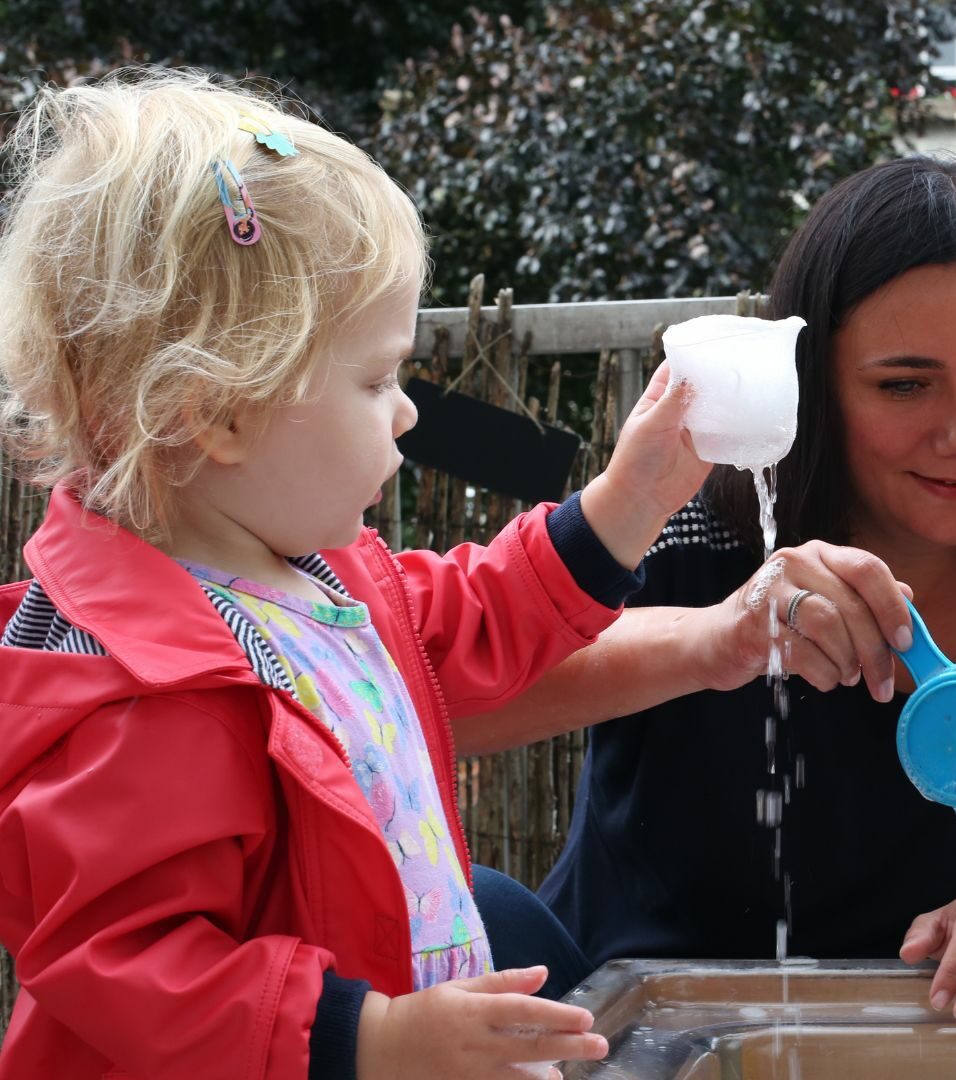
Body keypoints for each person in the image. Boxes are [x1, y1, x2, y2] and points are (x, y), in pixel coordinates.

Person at [0, 70, 711, 1079]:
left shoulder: (317, 579)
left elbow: (472, 616)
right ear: (222, 411)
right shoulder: (137, 684)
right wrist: (366, 1037)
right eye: (378, 380)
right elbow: (124, 961)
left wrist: (626, 506)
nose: (411, 413)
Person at [474, 156, 956, 1033]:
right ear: (810, 382)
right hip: (622, 1040)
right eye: (903, 384)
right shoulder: (688, 547)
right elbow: (440, 705)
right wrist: (717, 637)